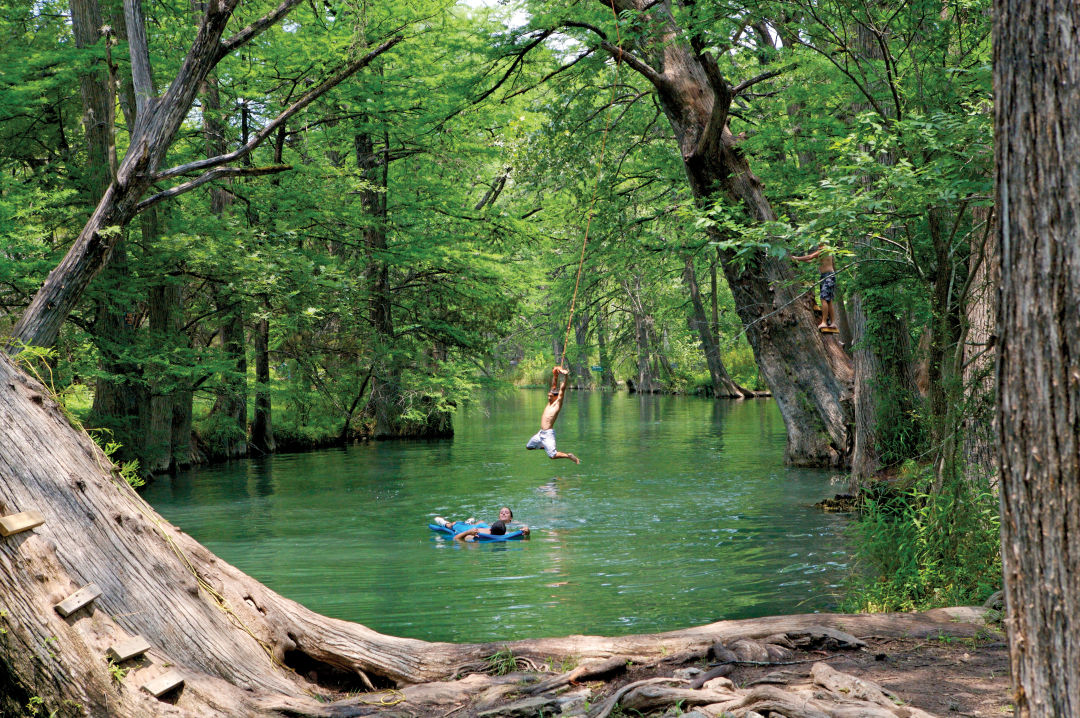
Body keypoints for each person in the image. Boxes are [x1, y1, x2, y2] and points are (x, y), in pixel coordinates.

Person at [525, 366, 580, 463]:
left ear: (555, 397)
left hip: (548, 434)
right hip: (540, 433)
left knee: (553, 456)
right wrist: (556, 373)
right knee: (529, 447)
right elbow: (554, 385)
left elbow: (562, 389)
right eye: (548, 396)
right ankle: (545, 446)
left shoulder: (557, 404)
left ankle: (569, 456)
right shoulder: (549, 403)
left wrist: (565, 376)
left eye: (550, 397)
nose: (549, 398)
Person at [792, 244, 839, 333]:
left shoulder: (824, 250)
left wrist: (796, 258)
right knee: (828, 300)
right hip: (826, 276)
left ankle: (824, 322)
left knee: (824, 299)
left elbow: (810, 256)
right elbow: (812, 260)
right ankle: (833, 322)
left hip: (828, 276)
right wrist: (801, 260)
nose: (817, 246)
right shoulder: (826, 252)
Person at [433, 507, 530, 541]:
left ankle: (464, 523)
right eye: (501, 512)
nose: (504, 513)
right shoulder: (506, 534)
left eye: (507, 512)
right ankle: (446, 524)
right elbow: (524, 536)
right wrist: (527, 532)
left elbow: (456, 538)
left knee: (456, 524)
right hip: (478, 528)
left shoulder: (478, 535)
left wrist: (468, 532)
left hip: (473, 529)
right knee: (481, 522)